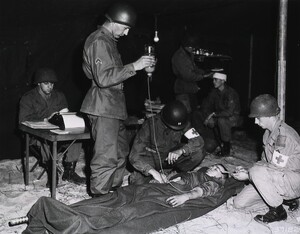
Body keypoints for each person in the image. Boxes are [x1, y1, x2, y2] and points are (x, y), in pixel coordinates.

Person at [22, 164, 234, 234]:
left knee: (129, 213)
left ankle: (80, 225)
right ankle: (54, 212)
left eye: (219, 170)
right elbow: (174, 176)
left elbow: (203, 191)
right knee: (111, 199)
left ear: (222, 178)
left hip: (165, 198)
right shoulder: (196, 172)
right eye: (215, 166)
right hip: (150, 188)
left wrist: (186, 196)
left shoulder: (214, 183)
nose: (215, 168)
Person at [80, 2, 156, 196]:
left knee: (121, 152)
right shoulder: (99, 41)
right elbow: (103, 78)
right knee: (106, 156)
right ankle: (99, 199)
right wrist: (135, 66)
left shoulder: (108, 42)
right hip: (103, 107)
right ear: (114, 21)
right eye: (125, 27)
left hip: (113, 107)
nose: (126, 33)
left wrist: (140, 68)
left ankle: (112, 192)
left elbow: (104, 73)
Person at [232, 94, 300, 224]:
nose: (256, 122)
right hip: (278, 178)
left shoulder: (283, 136)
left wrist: (248, 175)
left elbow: (277, 167)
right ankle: (284, 200)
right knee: (239, 203)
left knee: (255, 172)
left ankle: (278, 211)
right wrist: (247, 170)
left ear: (269, 115)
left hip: (293, 179)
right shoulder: (268, 133)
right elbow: (265, 162)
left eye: (258, 118)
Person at [19, 67, 85, 186]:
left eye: (52, 83)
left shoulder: (59, 96)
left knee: (77, 135)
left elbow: (65, 113)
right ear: (38, 83)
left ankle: (69, 171)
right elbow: (23, 120)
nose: (50, 86)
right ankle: (52, 171)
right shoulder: (28, 98)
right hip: (36, 136)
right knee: (45, 140)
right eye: (46, 83)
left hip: (57, 132)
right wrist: (45, 119)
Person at [129, 100, 206, 185]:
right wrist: (153, 172)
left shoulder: (182, 122)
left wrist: (182, 150)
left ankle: (176, 173)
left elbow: (199, 140)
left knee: (199, 152)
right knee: (136, 182)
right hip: (152, 158)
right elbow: (134, 155)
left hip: (171, 157)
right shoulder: (150, 124)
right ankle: (155, 175)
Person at [192, 72, 240, 156]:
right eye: (213, 79)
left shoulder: (231, 93)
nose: (213, 81)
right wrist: (208, 116)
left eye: (216, 80)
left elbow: (229, 112)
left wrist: (214, 115)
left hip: (232, 117)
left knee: (222, 121)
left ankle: (226, 148)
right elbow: (206, 106)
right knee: (197, 114)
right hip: (218, 115)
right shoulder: (214, 92)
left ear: (222, 81)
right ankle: (200, 139)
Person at [172, 33, 212, 114]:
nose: (193, 49)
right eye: (192, 47)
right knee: (185, 115)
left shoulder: (189, 54)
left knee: (194, 114)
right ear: (186, 46)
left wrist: (205, 72)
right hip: (183, 90)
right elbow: (187, 76)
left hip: (191, 89)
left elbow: (194, 68)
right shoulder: (179, 56)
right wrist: (203, 76)